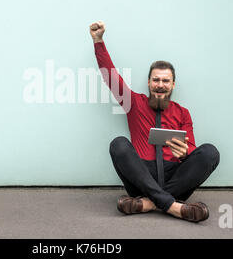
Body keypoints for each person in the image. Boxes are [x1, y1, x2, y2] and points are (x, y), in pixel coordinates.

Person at [89, 21, 220, 223]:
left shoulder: (182, 113)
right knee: (118, 144)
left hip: (174, 178)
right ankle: (173, 206)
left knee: (210, 152)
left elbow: (193, 150)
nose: (160, 85)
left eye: (165, 81)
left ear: (173, 84)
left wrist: (184, 154)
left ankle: (148, 203)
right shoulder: (134, 103)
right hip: (142, 177)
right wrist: (98, 41)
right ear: (149, 83)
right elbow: (110, 76)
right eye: (156, 80)